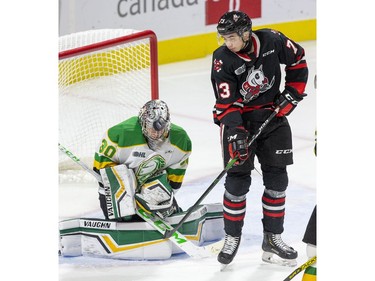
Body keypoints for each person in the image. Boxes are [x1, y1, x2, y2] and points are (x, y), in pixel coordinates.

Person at [210, 10, 308, 267]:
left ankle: (272, 238)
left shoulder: (272, 40)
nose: (227, 43)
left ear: (245, 33)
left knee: (278, 180)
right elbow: (226, 104)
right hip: (238, 122)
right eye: (223, 38)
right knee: (237, 182)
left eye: (231, 37)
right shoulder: (222, 59)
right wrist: (236, 133)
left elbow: (298, 60)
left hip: (273, 117)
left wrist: (292, 94)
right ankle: (231, 238)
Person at [93, 99, 192, 221]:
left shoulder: (180, 140)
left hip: (150, 188)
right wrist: (128, 188)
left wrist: (157, 200)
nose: (156, 133)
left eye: (161, 129)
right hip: (118, 191)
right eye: (152, 128)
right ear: (143, 123)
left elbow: (174, 181)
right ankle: (124, 219)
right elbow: (100, 167)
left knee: (158, 185)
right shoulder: (119, 134)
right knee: (124, 213)